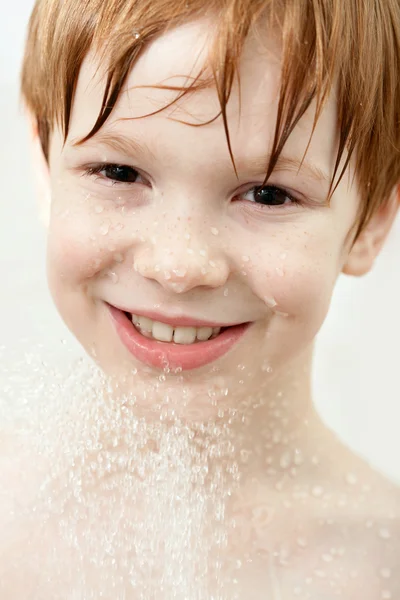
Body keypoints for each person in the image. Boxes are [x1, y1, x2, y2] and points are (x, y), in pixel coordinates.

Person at [2, 0, 399, 597]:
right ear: (43, 162)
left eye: (267, 194)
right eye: (119, 173)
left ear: (370, 223)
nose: (179, 265)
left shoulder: (380, 567)